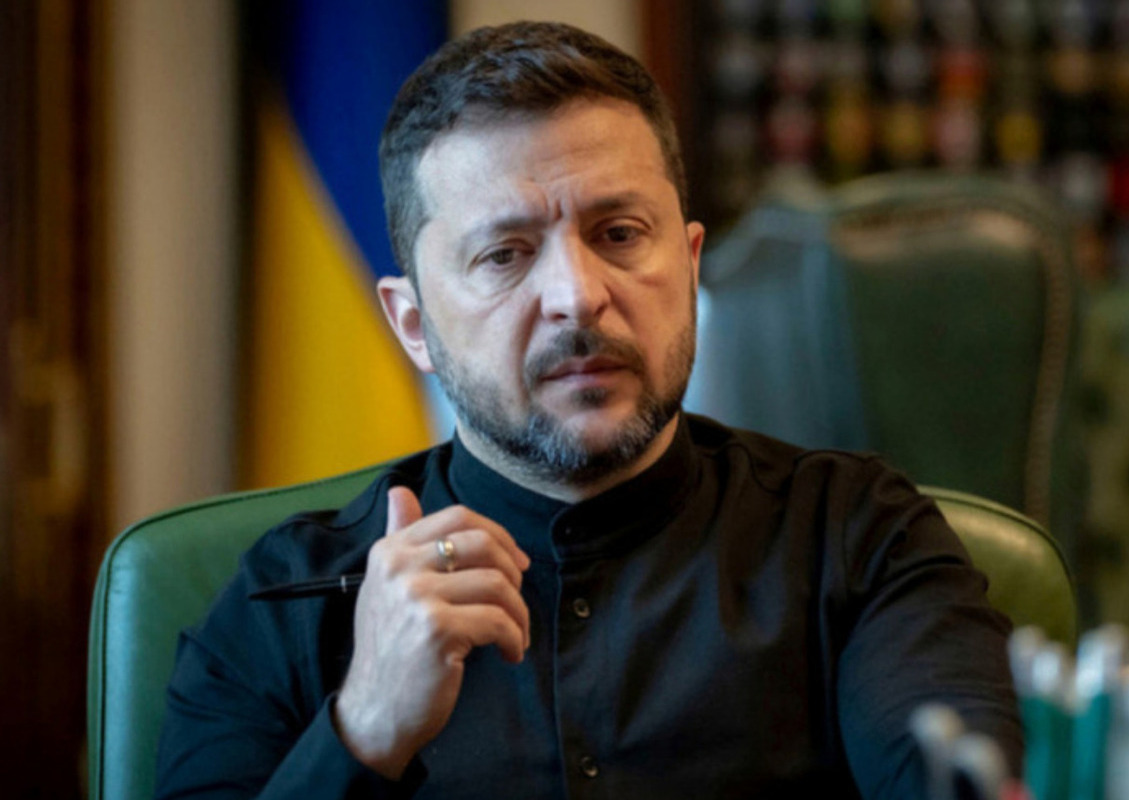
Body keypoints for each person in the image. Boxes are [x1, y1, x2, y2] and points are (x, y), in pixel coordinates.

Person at [156, 21, 1022, 799]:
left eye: (619, 234)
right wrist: (366, 729)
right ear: (412, 325)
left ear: (689, 265)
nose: (577, 295)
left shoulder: (859, 540)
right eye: (505, 254)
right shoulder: (277, 607)